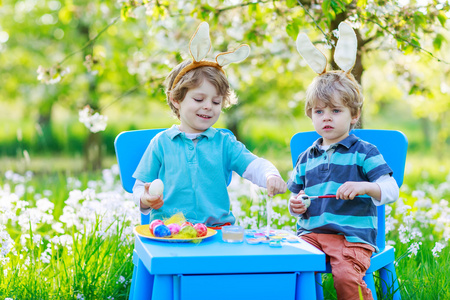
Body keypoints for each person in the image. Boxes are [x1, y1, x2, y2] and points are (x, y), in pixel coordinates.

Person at [132, 22, 287, 228]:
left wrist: (270, 174)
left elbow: (252, 165)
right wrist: (144, 199)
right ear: (176, 99)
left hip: (217, 230)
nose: (208, 107)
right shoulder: (161, 143)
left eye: (216, 102)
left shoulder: (224, 142)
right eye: (199, 99)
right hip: (170, 231)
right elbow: (140, 187)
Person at [287, 71, 399, 300]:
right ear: (311, 115)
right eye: (319, 111)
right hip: (311, 236)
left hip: (351, 238)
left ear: (354, 114)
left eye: (335, 111)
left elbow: (391, 189)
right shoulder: (305, 158)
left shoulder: (364, 152)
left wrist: (364, 187)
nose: (326, 118)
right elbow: (297, 197)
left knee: (346, 277)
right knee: (288, 267)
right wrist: (295, 205)